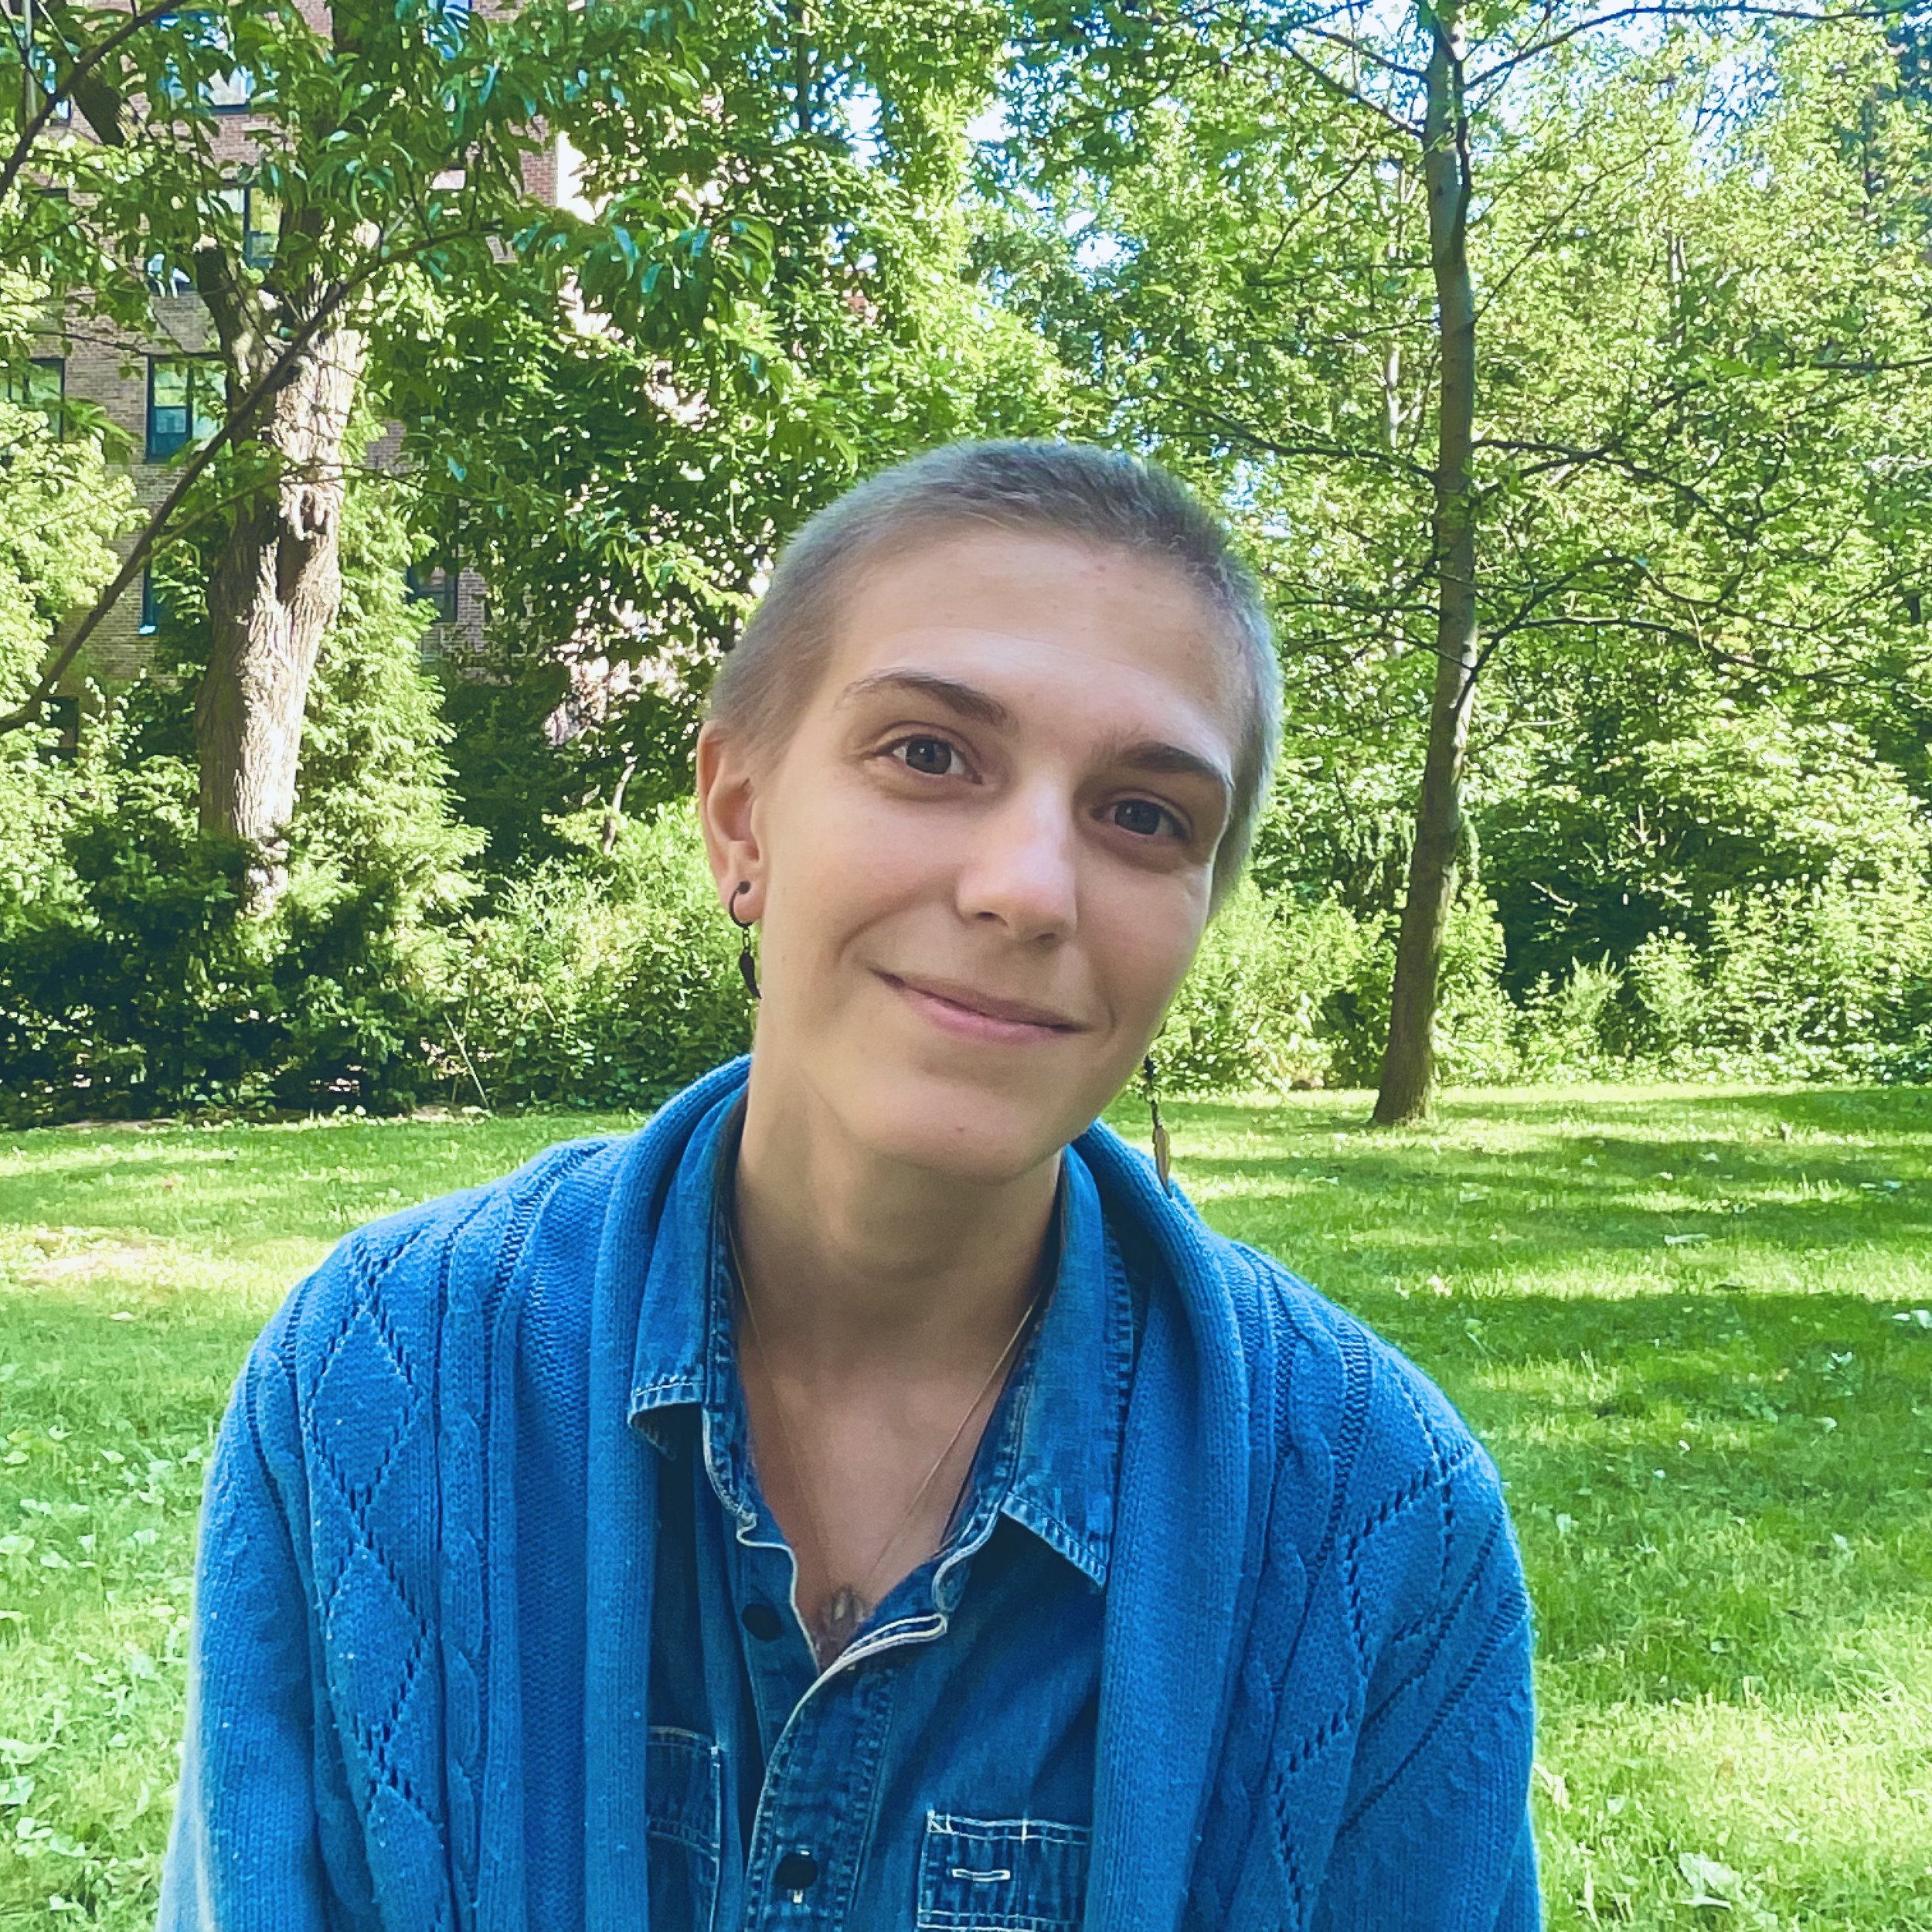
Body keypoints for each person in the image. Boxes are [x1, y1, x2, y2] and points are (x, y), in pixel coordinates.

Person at [158, 440, 1539, 1930]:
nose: (1028, 887)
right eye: (930, 755)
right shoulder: (373, 1386)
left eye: (1144, 815)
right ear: (741, 818)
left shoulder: (1380, 1527)